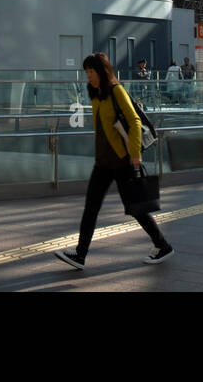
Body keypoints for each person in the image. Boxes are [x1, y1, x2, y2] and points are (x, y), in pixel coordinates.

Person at [54, 52, 173, 269]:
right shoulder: (95, 93)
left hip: (122, 161)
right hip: (103, 162)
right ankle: (80, 255)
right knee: (91, 207)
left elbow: (135, 121)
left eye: (92, 71)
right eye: (86, 72)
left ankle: (162, 245)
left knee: (136, 207)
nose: (88, 76)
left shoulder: (116, 91)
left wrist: (135, 154)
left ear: (102, 71)